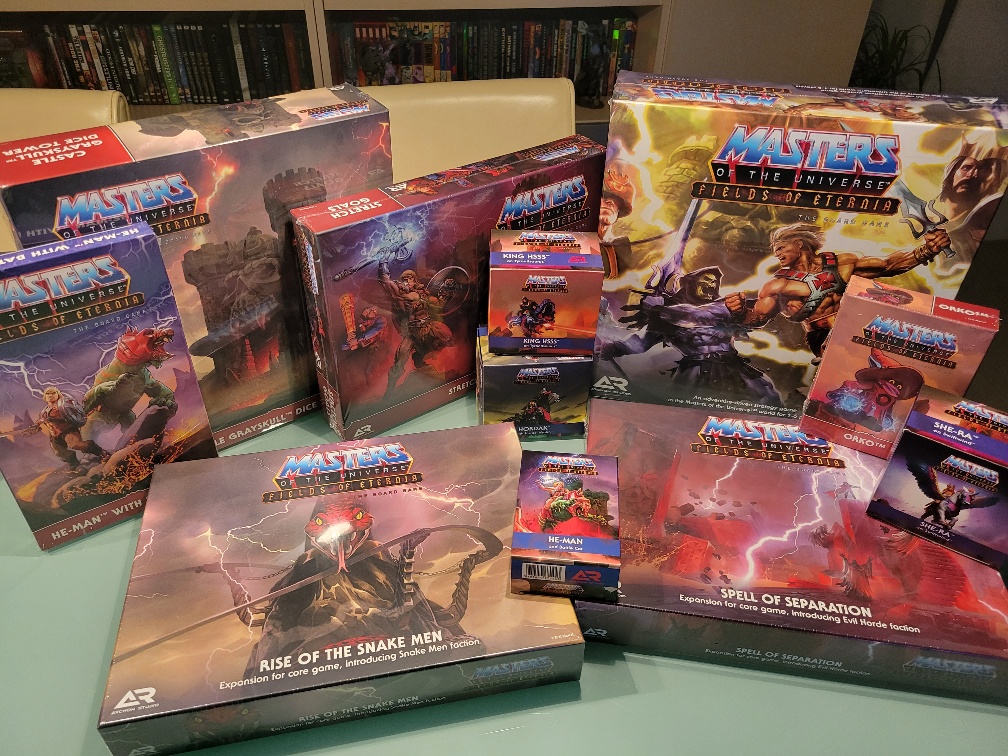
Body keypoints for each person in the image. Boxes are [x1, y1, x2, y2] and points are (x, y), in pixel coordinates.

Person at [726, 222, 950, 356]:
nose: (778, 254)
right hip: (823, 337)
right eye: (776, 251)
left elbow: (888, 265)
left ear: (799, 244)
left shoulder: (841, 264)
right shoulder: (777, 285)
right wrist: (738, 312)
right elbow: (757, 317)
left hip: (858, 328)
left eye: (781, 248)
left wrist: (927, 250)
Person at [22, 387, 106, 469]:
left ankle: (102, 453)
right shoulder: (44, 411)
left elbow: (80, 412)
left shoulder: (65, 405)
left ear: (58, 394)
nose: (50, 395)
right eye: (48, 393)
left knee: (75, 445)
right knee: (59, 452)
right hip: (54, 435)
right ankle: (75, 465)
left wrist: (94, 407)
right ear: (45, 396)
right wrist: (33, 428)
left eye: (53, 393)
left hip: (68, 431)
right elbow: (40, 421)